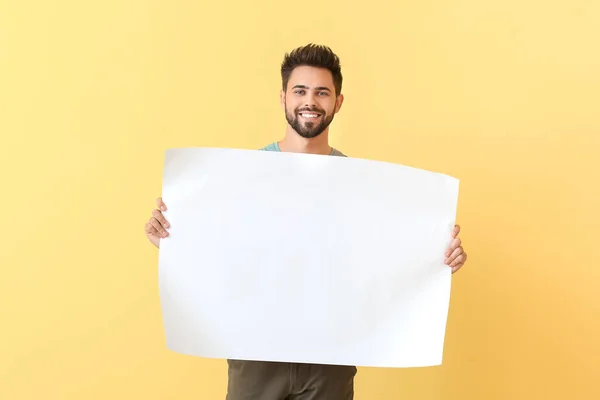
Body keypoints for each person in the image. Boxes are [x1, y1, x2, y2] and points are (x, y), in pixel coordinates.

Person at [144, 44, 468, 400]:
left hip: (330, 356)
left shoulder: (361, 185)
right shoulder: (240, 177)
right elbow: (222, 250)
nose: (309, 101)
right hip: (255, 353)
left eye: (321, 92)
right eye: (300, 90)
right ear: (283, 97)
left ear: (338, 102)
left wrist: (436, 259)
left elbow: (379, 259)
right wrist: (171, 241)